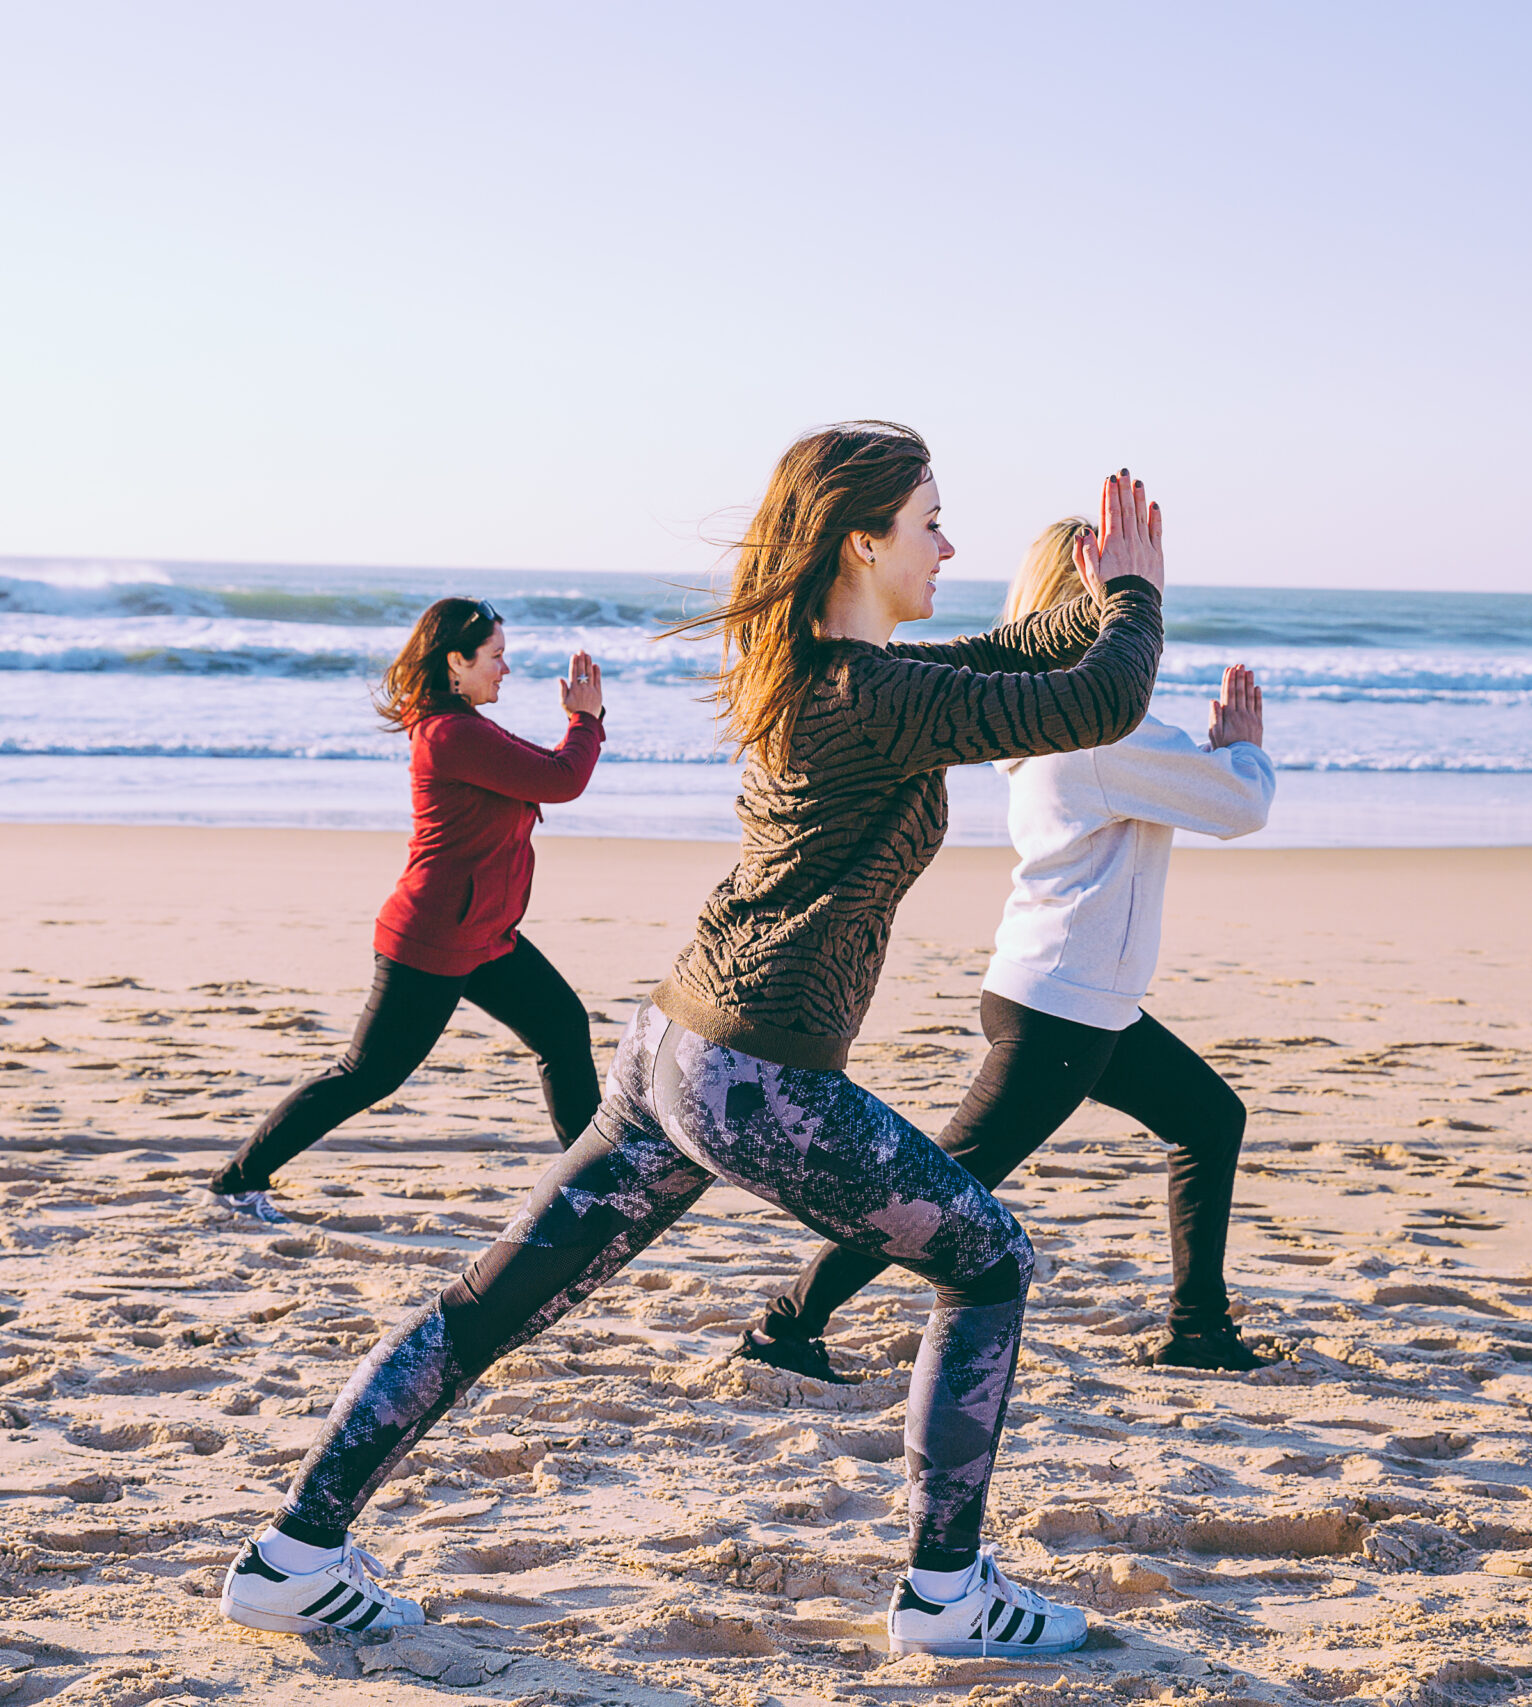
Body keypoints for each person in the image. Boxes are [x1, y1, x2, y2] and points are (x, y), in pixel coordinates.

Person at [218, 424, 1165, 1658]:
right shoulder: (871, 694)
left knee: (498, 1299)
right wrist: (1140, 597)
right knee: (987, 1265)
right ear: (861, 542)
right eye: (930, 522)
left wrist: (1092, 598)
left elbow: (1007, 659)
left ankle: (292, 1552)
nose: (949, 544)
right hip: (759, 1074)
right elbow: (1096, 701)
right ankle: (946, 1592)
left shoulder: (819, 667)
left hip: (674, 1046)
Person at [737, 516, 1278, 1385]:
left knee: (1210, 1121)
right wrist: (1242, 749)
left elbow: (1192, 795)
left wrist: (1215, 763)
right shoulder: (1104, 735)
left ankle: (1198, 1330)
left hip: (1072, 996)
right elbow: (1240, 805)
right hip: (1063, 1005)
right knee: (941, 1182)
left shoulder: (1056, 725)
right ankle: (785, 1324)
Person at [204, 597, 607, 1224]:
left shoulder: (468, 723)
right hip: (433, 940)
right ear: (456, 662)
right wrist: (586, 720)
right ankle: (237, 1182)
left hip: (485, 936)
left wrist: (581, 727)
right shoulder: (452, 735)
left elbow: (542, 774)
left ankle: (589, 1191)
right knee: (367, 1075)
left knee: (562, 1030)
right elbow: (559, 780)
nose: (506, 669)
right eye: (496, 657)